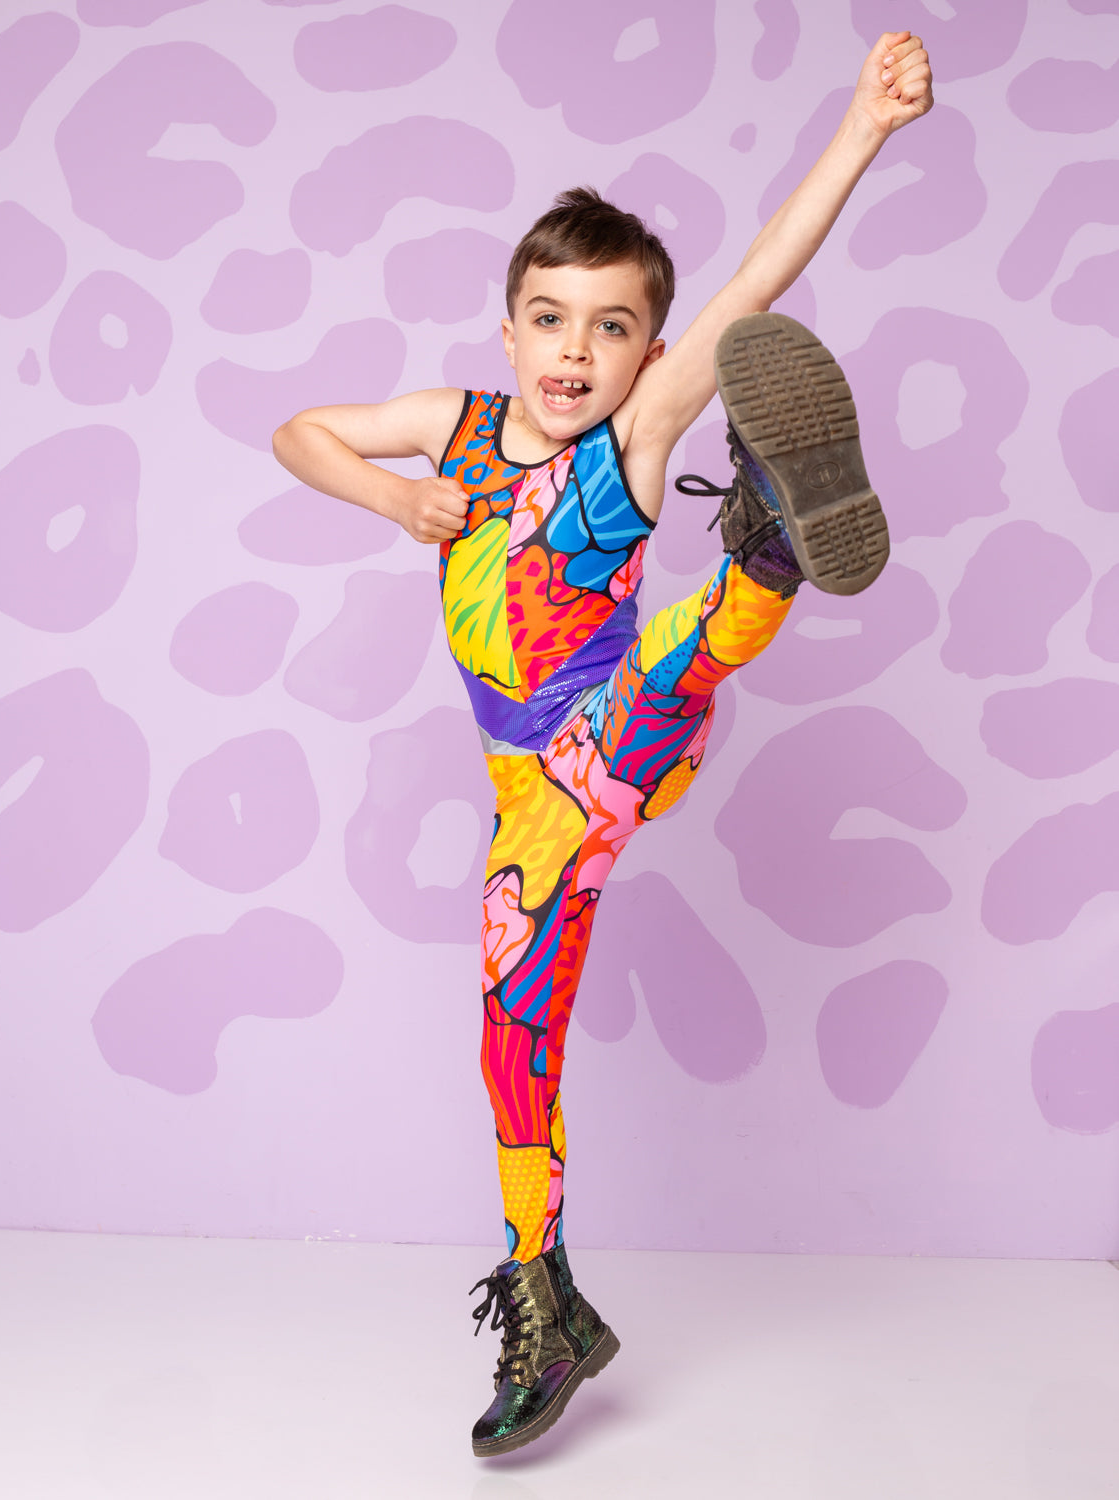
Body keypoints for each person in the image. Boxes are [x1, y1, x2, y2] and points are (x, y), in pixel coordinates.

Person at [273, 30, 933, 1458]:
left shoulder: (619, 452)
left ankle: (763, 544)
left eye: (613, 327)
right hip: (531, 810)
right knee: (512, 1045)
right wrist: (394, 507)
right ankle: (546, 1297)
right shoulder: (449, 434)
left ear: (645, 346)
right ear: (508, 330)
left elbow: (757, 279)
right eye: (552, 319)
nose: (579, 350)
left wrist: (862, 127)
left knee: (651, 684)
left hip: (626, 736)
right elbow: (303, 431)